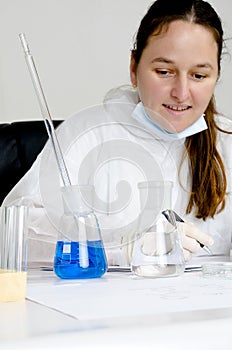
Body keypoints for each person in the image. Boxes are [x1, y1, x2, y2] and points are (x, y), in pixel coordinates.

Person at [3, 0, 232, 266]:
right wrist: (123, 246)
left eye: (199, 76)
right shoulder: (88, 134)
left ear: (216, 75)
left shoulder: (226, 142)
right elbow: (15, 234)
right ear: (134, 68)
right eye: (164, 72)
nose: (181, 93)